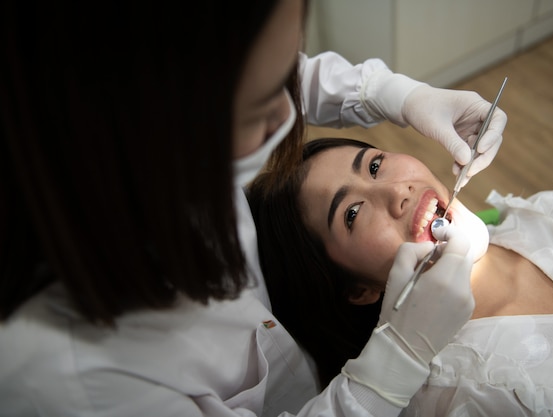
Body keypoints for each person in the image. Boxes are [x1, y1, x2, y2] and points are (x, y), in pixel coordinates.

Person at [0, 1, 508, 416]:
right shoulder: (70, 378)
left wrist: (396, 94)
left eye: (373, 164)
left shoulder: (163, 140)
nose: (289, 117)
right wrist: (399, 358)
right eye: (265, 105)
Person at [247, 137, 553, 416]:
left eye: (375, 165)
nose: (398, 191)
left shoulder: (545, 214)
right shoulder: (462, 397)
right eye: (352, 213)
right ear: (359, 291)